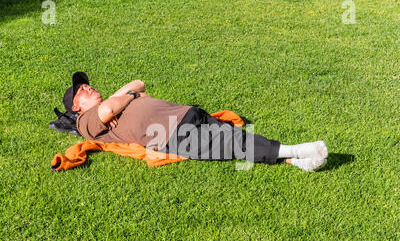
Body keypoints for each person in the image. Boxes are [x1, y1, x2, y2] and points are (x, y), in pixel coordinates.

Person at [68, 72, 328, 171]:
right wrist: (124, 99)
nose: (88, 87)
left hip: (188, 114)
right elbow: (110, 109)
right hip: (171, 134)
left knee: (235, 139)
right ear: (76, 106)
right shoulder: (85, 122)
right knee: (235, 144)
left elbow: (140, 82)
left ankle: (295, 162)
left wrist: (129, 95)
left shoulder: (114, 99)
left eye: (88, 84)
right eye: (82, 89)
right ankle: (296, 151)